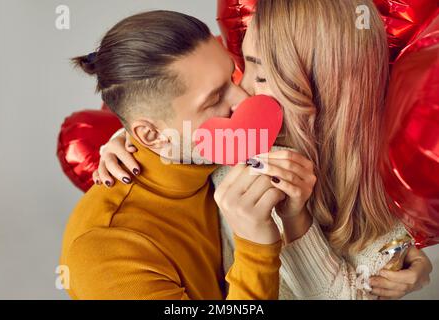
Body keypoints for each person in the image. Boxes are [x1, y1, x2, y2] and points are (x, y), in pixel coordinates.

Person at [97, 0, 432, 299]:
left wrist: (295, 218)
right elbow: (173, 124)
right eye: (244, 64)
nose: (242, 92)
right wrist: (122, 140)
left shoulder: (385, 189)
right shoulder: (242, 144)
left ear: (317, 86)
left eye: (259, 74)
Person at [61, 10, 286, 300]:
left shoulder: (197, 152)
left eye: (233, 76)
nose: (243, 99)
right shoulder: (104, 249)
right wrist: (256, 248)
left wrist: (121, 136)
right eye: (216, 99)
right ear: (151, 135)